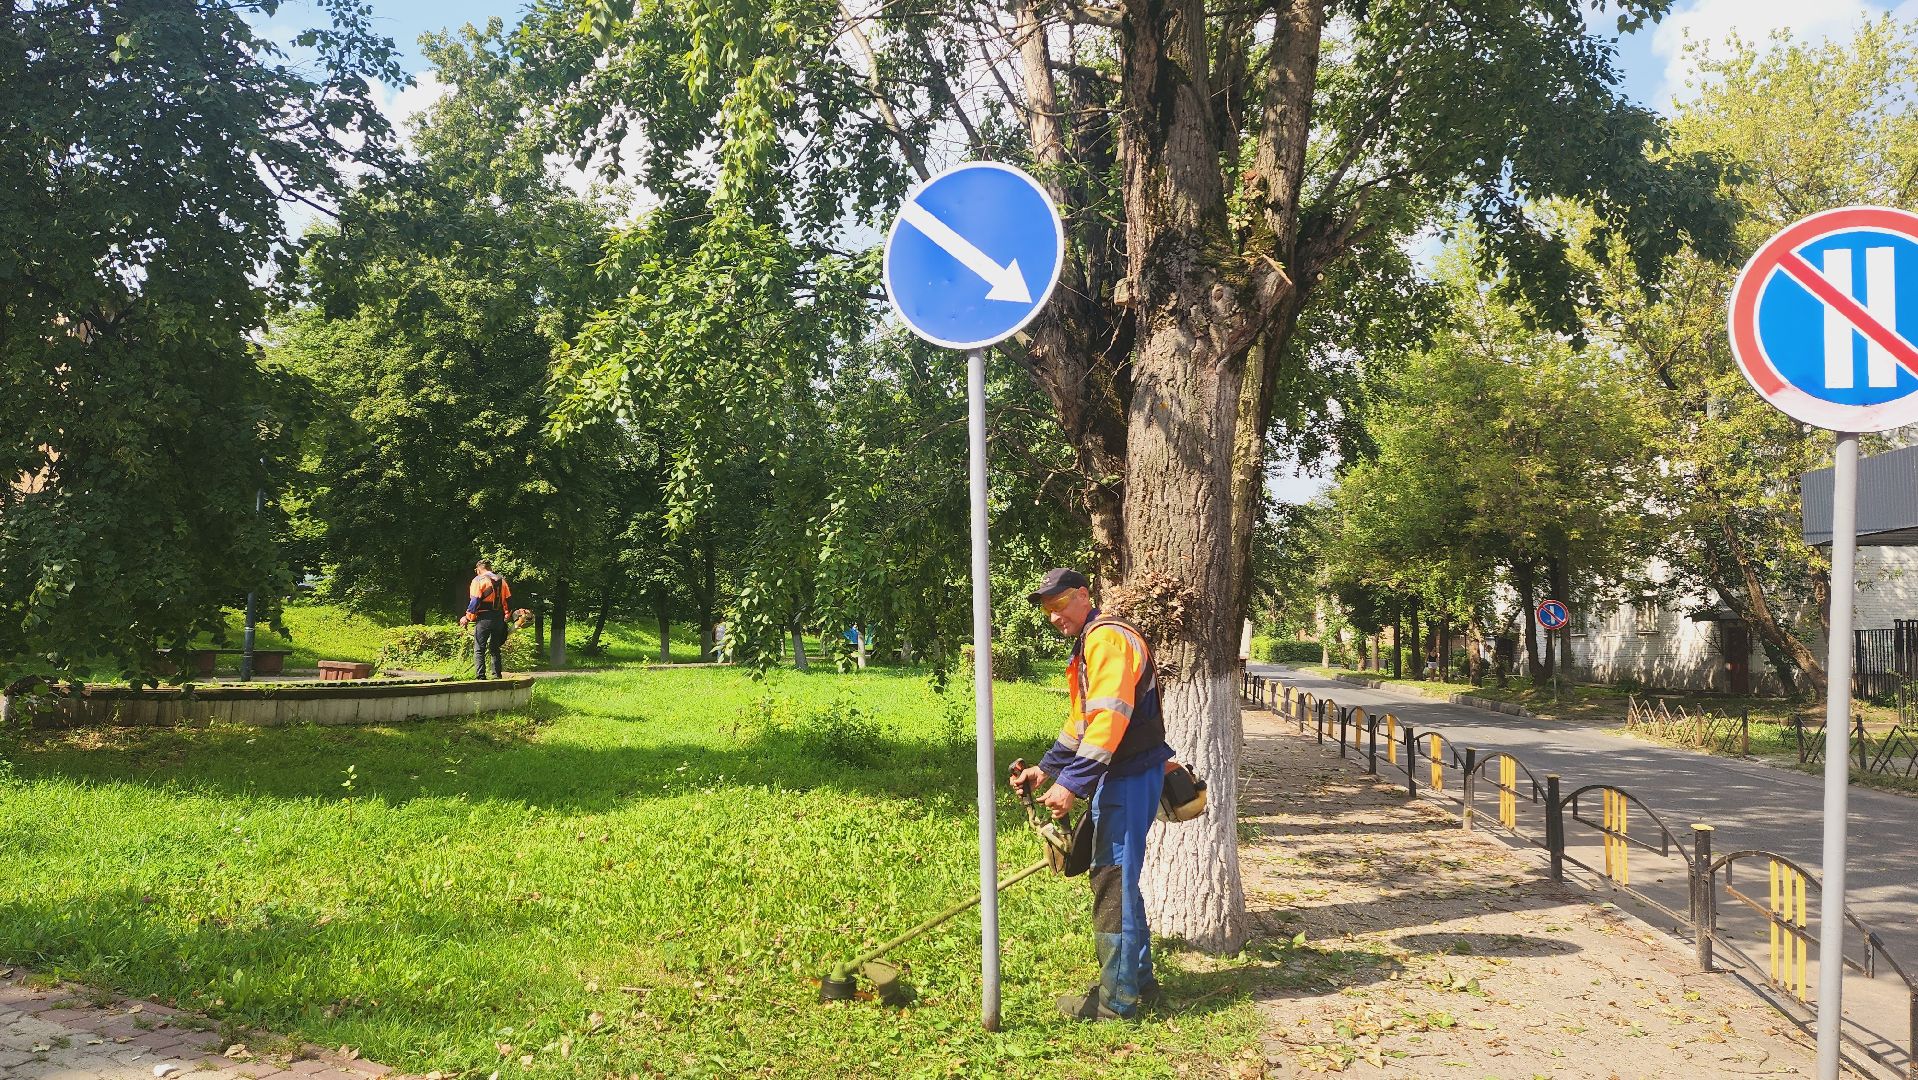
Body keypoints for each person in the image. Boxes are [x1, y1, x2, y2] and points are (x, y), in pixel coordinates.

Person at [1008, 567, 1174, 1022]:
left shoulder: (1106, 640)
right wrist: (1049, 769)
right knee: (1120, 882)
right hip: (1120, 776)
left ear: (1083, 595)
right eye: (1047, 611)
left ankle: (1116, 1005)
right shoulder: (1090, 645)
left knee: (1112, 884)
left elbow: (1109, 724)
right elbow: (1080, 724)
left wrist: (1072, 784)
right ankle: (1138, 983)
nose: (1054, 617)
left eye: (1060, 605)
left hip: (1129, 776)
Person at [458, 560, 512, 679]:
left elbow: (475, 601)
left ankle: (481, 677)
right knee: (495, 648)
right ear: (490, 568)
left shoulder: (478, 580)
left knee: (479, 649)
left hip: (484, 618)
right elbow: (508, 600)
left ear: (478, 569)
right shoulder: (501, 580)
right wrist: (507, 615)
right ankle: (497, 675)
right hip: (498, 618)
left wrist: (468, 617)